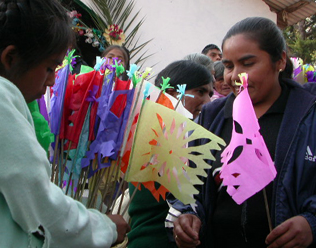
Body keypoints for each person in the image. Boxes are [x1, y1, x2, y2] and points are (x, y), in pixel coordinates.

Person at [0, 0, 129, 247]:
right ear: (10, 58)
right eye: (49, 68)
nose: (52, 81)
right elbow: (39, 203)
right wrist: (106, 227)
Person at [168, 17, 316, 248]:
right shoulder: (211, 116)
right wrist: (187, 216)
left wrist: (311, 223)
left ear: (280, 60)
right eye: (228, 66)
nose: (235, 76)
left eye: (247, 64)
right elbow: (188, 184)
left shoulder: (309, 114)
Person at [127, 60, 214, 248]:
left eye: (210, 94)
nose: (208, 102)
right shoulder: (162, 139)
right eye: (200, 92)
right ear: (173, 94)